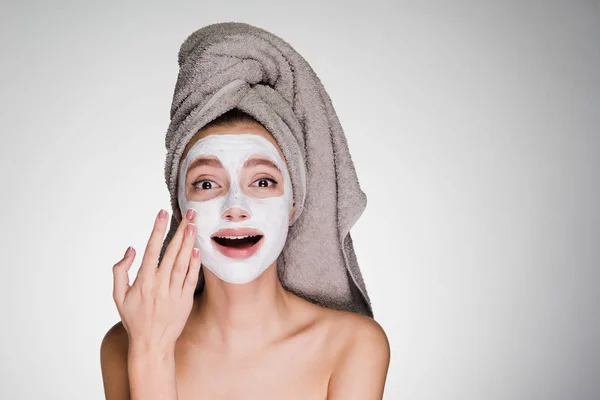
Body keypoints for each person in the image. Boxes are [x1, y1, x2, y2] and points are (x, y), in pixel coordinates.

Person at [100, 108, 390, 399]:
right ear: (179, 208)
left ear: (293, 203)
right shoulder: (125, 343)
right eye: (206, 183)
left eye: (262, 182)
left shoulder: (353, 345)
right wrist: (151, 350)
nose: (235, 208)